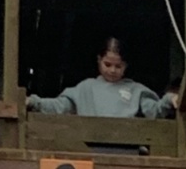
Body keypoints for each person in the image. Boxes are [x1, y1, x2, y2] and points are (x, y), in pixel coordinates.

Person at [27, 37, 177, 119]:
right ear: (99, 60)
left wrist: (170, 100)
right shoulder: (85, 88)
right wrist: (34, 102)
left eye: (118, 66)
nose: (112, 70)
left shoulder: (136, 90)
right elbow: (59, 106)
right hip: (86, 146)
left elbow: (154, 110)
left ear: (126, 66)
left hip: (127, 148)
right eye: (107, 64)